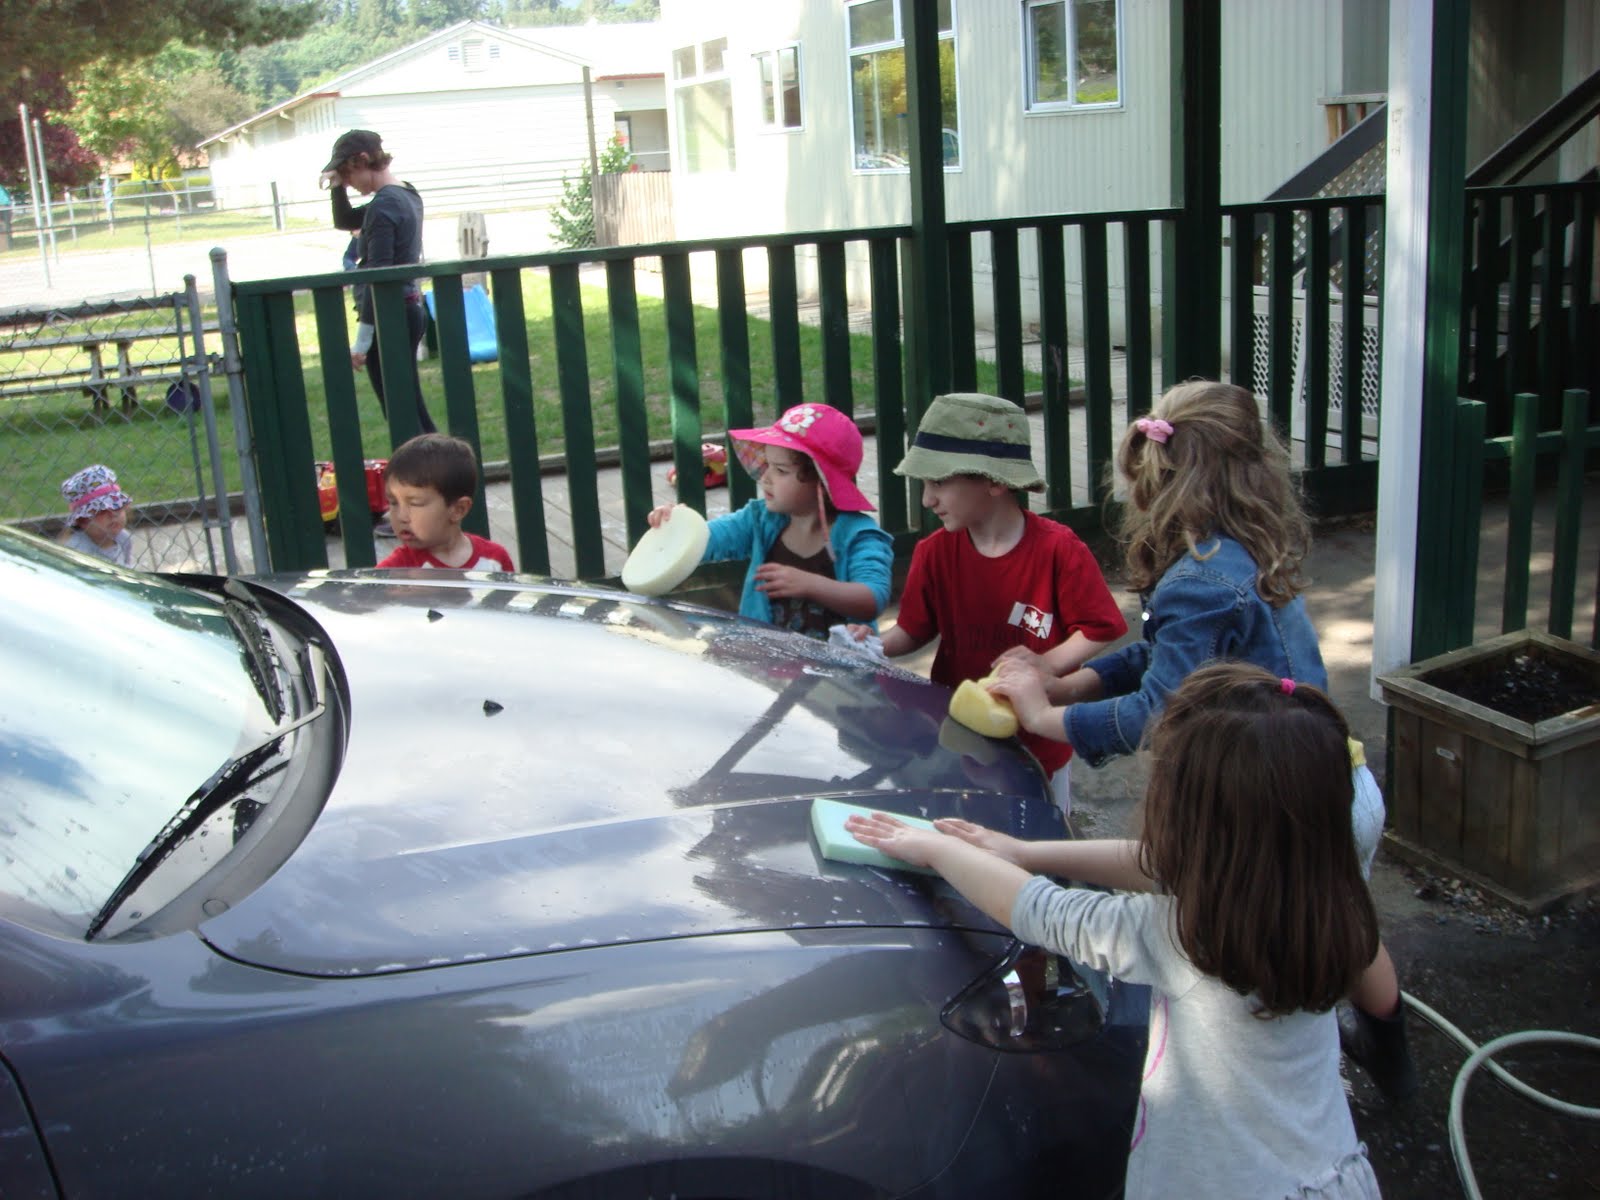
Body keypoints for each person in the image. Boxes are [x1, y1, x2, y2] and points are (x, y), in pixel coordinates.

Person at [984, 378, 1415, 1100]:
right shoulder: (1244, 549)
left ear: (1154, 480)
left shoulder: (1197, 581)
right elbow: (1162, 658)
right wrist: (1070, 685)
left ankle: (1285, 1081)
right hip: (1340, 783)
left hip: (1275, 810)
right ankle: (1391, 1052)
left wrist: (1042, 718)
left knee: (1270, 951)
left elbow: (1159, 708)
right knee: (1339, 922)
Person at [845, 663, 1383, 1200]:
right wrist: (1025, 852)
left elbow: (1041, 910)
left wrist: (939, 850)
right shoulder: (1333, 905)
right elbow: (1163, 864)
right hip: (1335, 1176)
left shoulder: (1183, 937)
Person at [850, 391, 1127, 814]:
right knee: (963, 826)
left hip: (1037, 742)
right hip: (956, 736)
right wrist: (871, 644)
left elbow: (1100, 628)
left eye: (939, 482)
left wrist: (1046, 664)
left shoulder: (1059, 550)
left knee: (1041, 836)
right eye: (924, 484)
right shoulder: (933, 552)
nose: (927, 499)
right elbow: (913, 631)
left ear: (994, 480)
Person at [644, 403, 893, 639]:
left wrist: (810, 584)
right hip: (769, 669)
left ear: (823, 482)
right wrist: (677, 523)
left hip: (840, 677)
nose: (766, 477)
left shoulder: (859, 535)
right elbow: (704, 542)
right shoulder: (759, 519)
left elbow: (872, 599)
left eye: (781, 470)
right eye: (767, 465)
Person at [321, 129, 437, 438]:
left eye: (347, 174)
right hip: (407, 310)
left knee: (402, 415)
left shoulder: (385, 206)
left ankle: (428, 478)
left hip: (391, 316)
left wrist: (362, 343)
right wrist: (334, 188)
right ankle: (439, 474)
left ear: (363, 160)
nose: (347, 182)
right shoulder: (405, 195)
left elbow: (378, 277)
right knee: (411, 408)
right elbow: (345, 220)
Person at [375, 433, 513, 571]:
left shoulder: (495, 561)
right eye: (393, 503)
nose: (401, 516)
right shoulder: (394, 572)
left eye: (415, 503)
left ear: (459, 509)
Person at [59, 463, 134, 566]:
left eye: (117, 506)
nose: (112, 514)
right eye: (102, 511)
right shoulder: (78, 550)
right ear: (82, 521)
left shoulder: (123, 538)